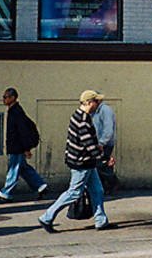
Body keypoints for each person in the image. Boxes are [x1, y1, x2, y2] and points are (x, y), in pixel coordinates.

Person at [38, 90, 111, 232]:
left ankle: (101, 220)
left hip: (84, 161)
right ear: (89, 103)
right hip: (82, 163)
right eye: (97, 102)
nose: (98, 105)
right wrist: (104, 159)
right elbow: (88, 145)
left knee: (97, 190)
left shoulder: (77, 115)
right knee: (74, 193)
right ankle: (46, 217)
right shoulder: (83, 120)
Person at [0, 87, 48, 202]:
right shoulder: (14, 111)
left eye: (5, 97)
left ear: (12, 98)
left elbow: (22, 131)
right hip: (16, 147)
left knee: (13, 170)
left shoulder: (16, 112)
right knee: (24, 169)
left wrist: (26, 148)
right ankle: (40, 186)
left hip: (17, 147)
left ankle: (6, 193)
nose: (3, 99)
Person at [91, 92, 118, 195]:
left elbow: (108, 129)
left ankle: (112, 184)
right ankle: (106, 186)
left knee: (102, 166)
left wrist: (102, 143)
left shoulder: (105, 110)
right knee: (101, 166)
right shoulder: (94, 111)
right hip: (98, 143)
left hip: (104, 144)